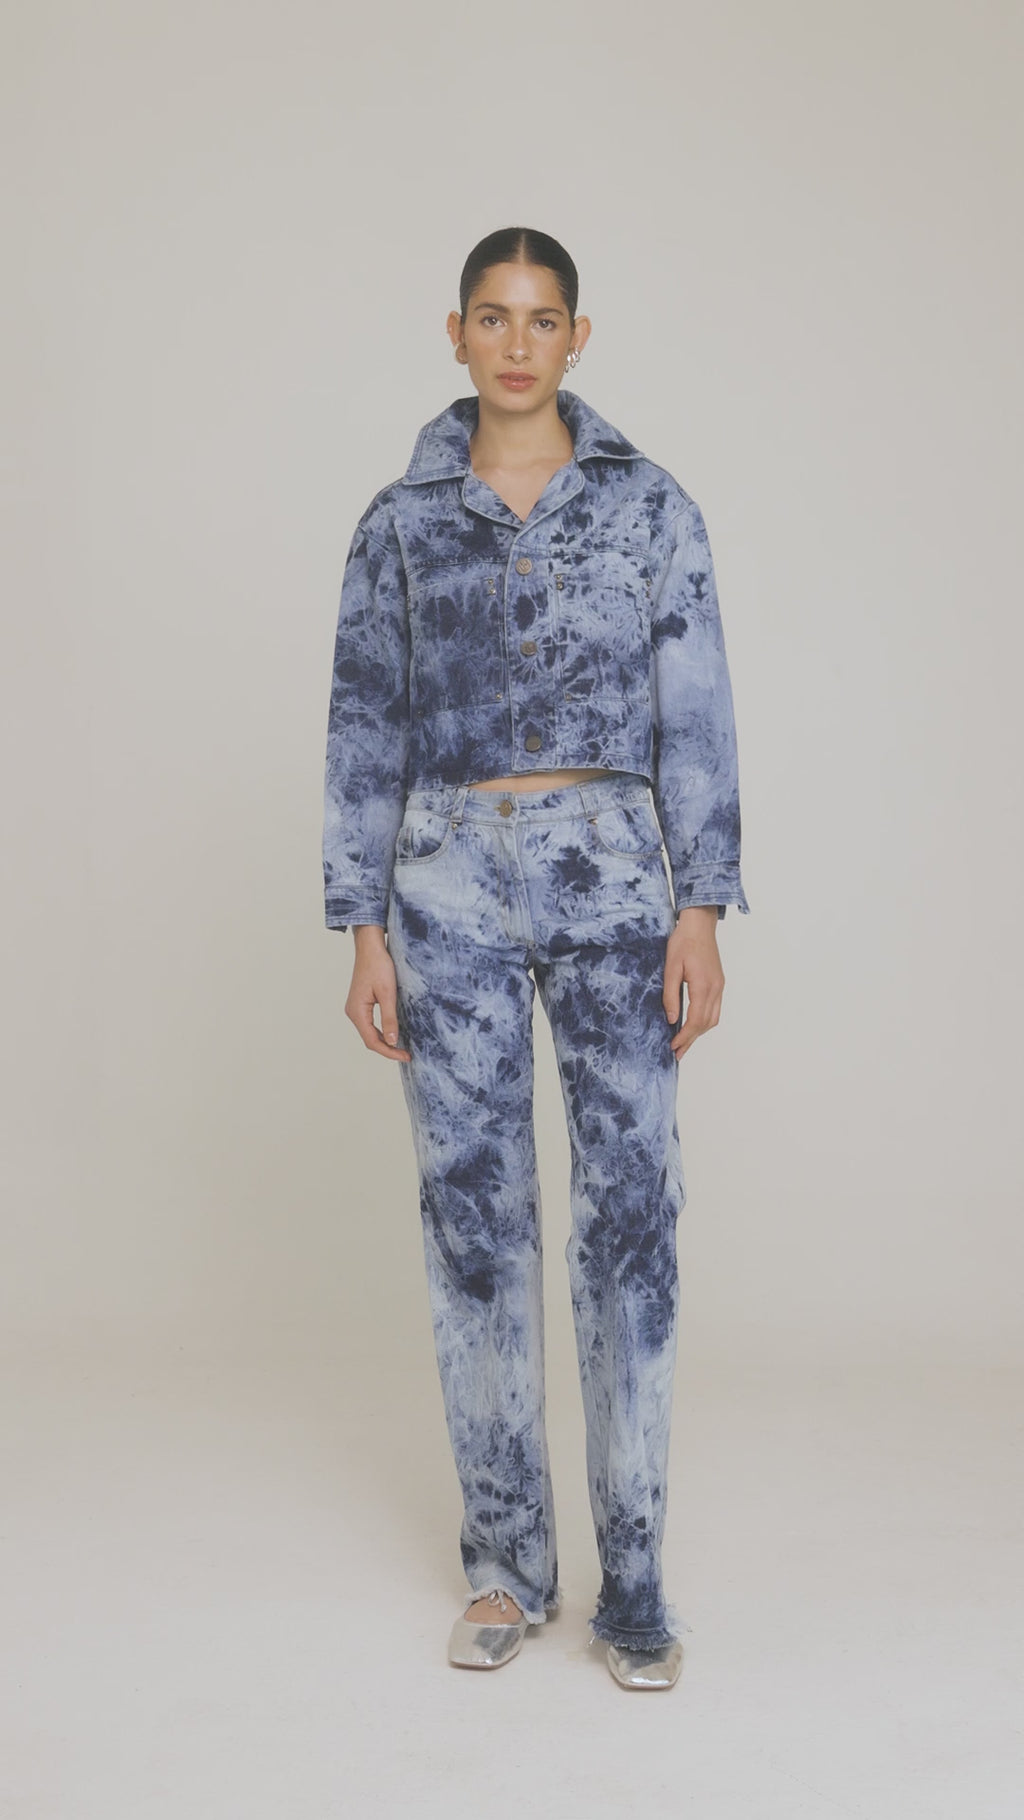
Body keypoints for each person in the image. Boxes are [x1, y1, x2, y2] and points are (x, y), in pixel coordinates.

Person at [322, 226, 750, 1691]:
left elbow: (696, 714)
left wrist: (703, 905)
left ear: (580, 336)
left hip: (614, 879)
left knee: (632, 1218)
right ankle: (505, 1566)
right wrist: (362, 925)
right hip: (441, 886)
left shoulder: (650, 508)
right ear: (456, 333)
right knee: (474, 1223)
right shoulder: (399, 521)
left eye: (543, 318)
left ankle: (634, 1583)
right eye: (493, 317)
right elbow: (365, 723)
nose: (518, 343)